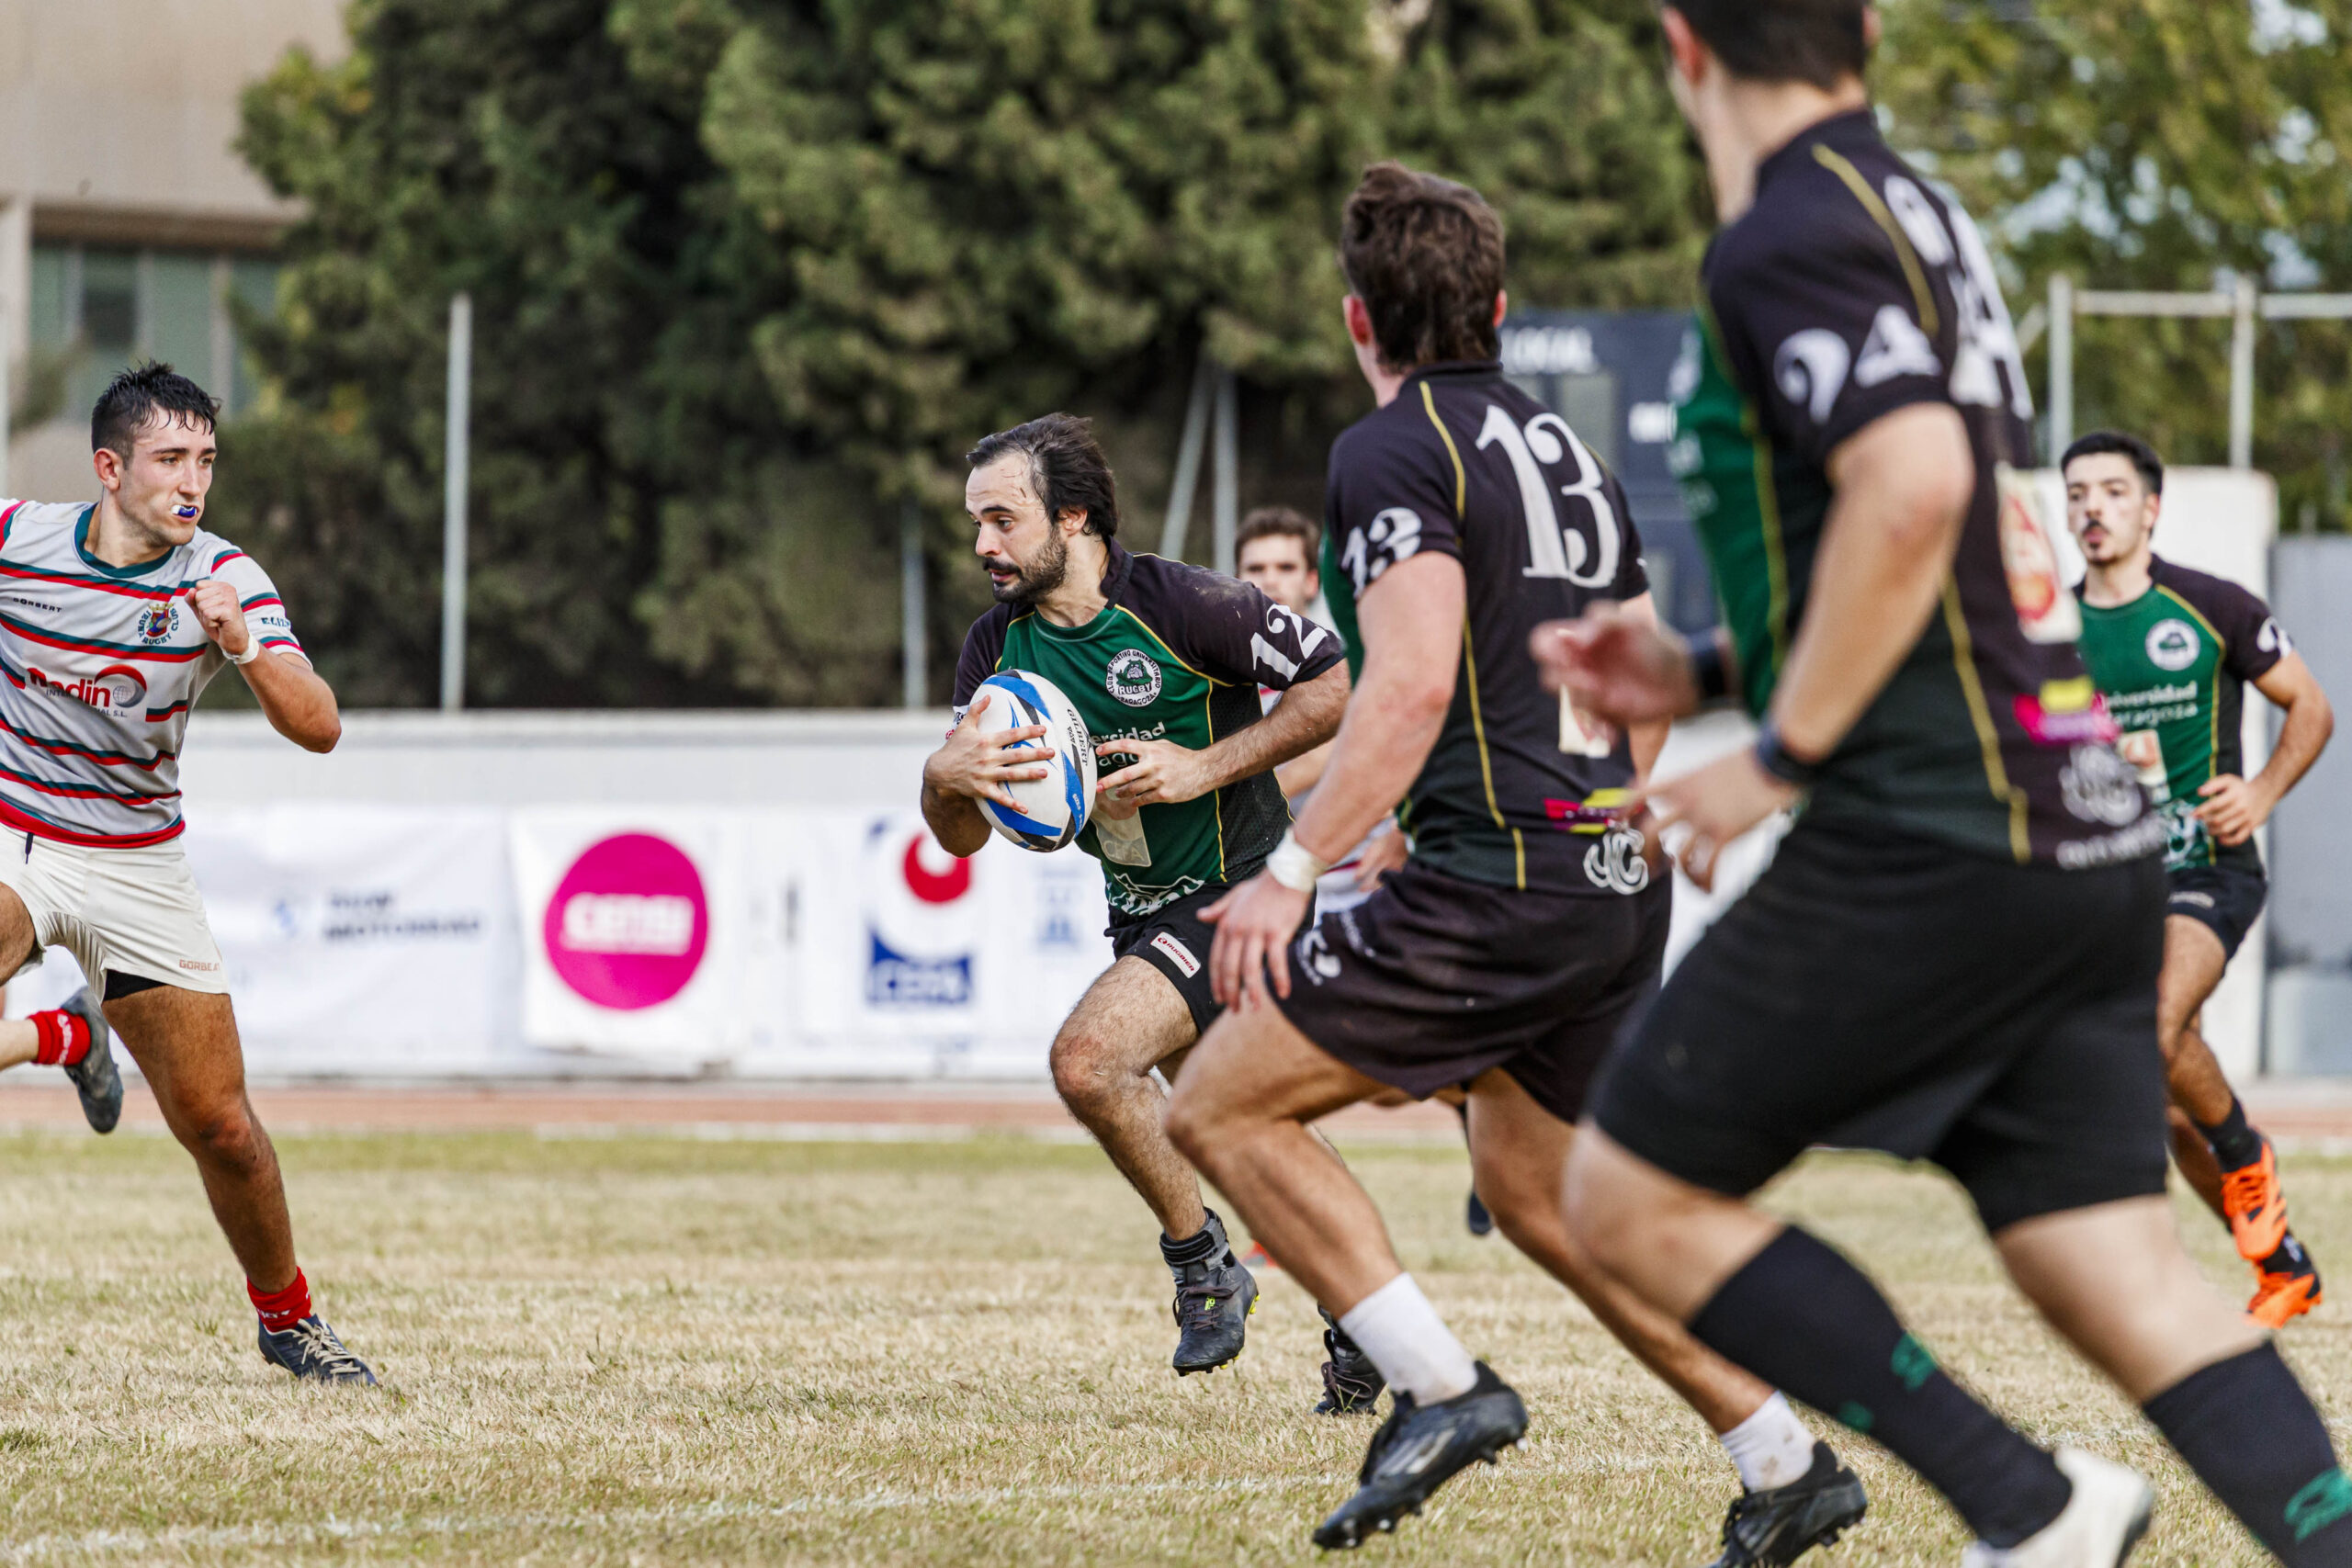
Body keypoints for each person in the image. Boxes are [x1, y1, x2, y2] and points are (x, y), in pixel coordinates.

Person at [1544, 6, 2352, 1564]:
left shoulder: (1782, 232)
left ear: (1683, 46)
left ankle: (2026, 1505)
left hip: (1940, 834)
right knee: (2114, 1269)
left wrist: (1772, 758)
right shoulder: (1915, 207)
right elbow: (1951, 537)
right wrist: (1709, 672)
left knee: (1627, 1193)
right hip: (2081, 829)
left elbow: (1914, 489)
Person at [1164, 163, 1866, 1564]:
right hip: (1605, 871)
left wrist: (1293, 867)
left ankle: (1438, 1383)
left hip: (1502, 880)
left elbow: (1410, 684)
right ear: (1497, 306)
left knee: (1216, 1104)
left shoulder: (1390, 444)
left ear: (1360, 322)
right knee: (1549, 1200)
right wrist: (1613, 802)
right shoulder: (1564, 446)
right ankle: (1783, 1460)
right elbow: (1647, 670)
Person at [919, 414, 1361, 1403]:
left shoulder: (1184, 603)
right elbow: (961, 837)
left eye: (1002, 518)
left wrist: (1203, 765)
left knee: (1087, 1061)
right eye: (974, 522)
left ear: (1073, 518)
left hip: (1242, 890)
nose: (983, 544)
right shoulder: (996, 651)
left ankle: (1202, 1264)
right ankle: (1368, 1318)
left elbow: (1335, 685)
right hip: (1142, 908)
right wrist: (943, 779)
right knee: (1233, 1122)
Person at [0, 363, 374, 1384]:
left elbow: (321, 726)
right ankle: (63, 1032)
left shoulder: (224, 577)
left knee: (221, 1127)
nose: (192, 483)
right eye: (170, 460)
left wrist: (244, 644)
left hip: (140, 867)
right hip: (17, 835)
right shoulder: (16, 541)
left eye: (206, 460)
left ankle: (288, 1321)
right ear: (109, 468)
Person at [2064, 429, 2332, 1326]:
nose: (2090, 508)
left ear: (2149, 508)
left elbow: (2312, 705)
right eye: (2075, 494)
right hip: (2106, 889)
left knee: (2153, 1020)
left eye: (2109, 491)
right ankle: (2284, 1267)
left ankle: (2246, 1156)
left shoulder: (2211, 605)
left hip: (2206, 870)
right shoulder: (2054, 640)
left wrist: (2257, 793)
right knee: (2172, 1107)